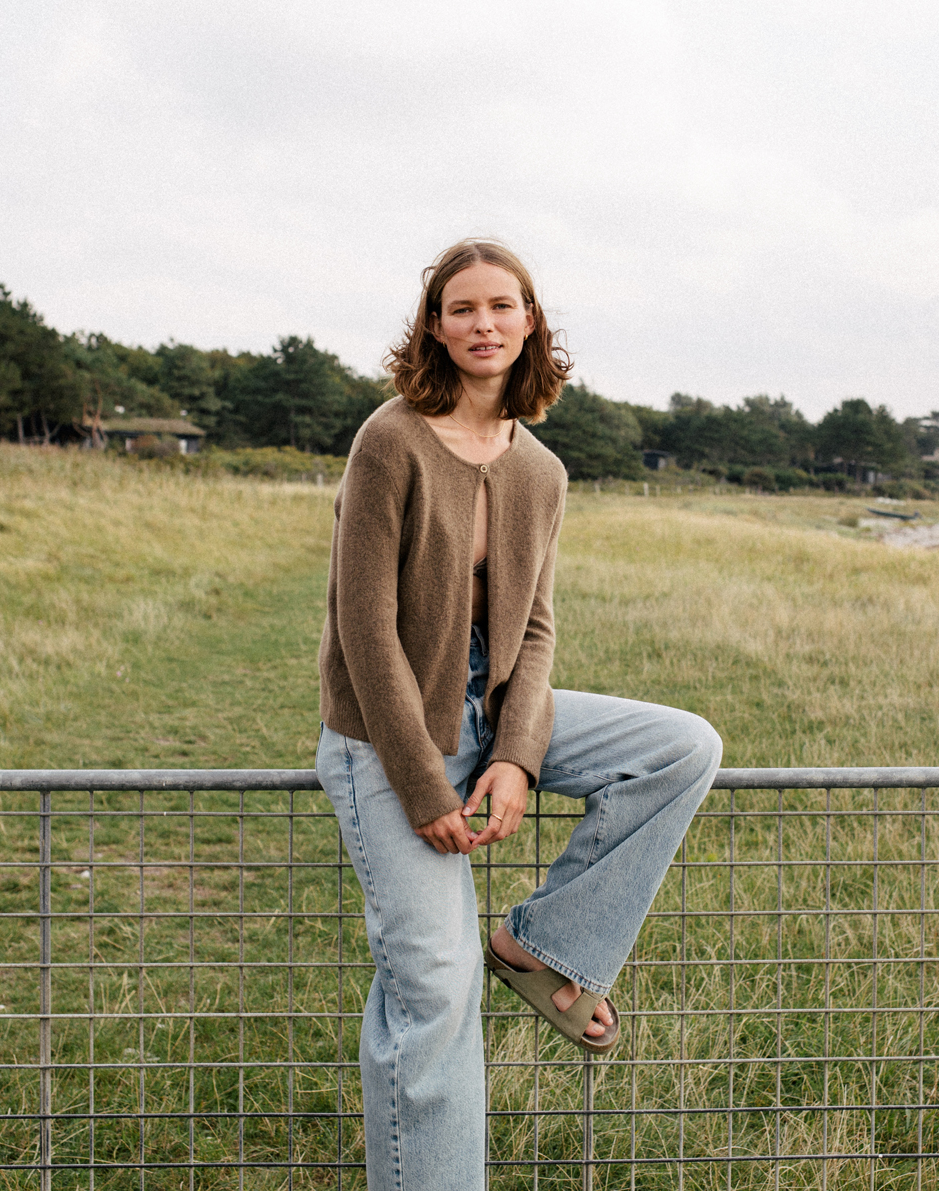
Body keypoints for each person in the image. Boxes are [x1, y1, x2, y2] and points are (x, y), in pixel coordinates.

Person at [316, 237, 723, 1189]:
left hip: (488, 707)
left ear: (529, 320)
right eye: (461, 308)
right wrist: (424, 786)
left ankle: (543, 949)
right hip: (386, 734)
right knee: (434, 991)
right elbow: (363, 628)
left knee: (680, 748)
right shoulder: (390, 440)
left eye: (501, 306)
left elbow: (533, 629)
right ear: (434, 326)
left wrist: (516, 756)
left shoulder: (540, 471)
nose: (482, 324)